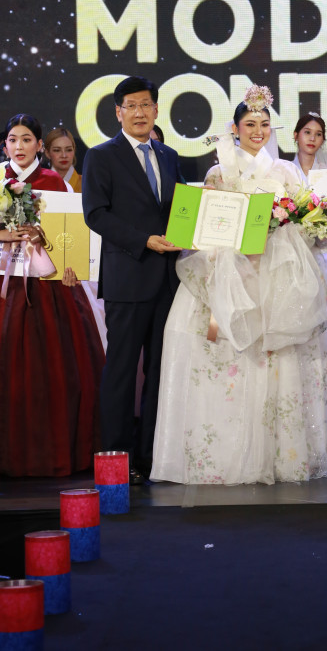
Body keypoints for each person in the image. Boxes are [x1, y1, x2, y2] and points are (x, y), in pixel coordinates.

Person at [151, 85, 327, 485]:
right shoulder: (218, 172)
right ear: (235, 128)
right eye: (250, 124)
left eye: (264, 124)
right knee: (227, 355)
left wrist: (314, 227)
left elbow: (305, 219)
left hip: (279, 273)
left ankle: (283, 454)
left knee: (283, 357)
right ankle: (231, 451)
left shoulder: (285, 170)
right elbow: (209, 224)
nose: (258, 131)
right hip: (232, 270)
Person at [82, 75, 184, 484]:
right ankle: (116, 461)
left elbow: (180, 209)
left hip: (168, 281)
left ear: (156, 110)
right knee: (121, 372)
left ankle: (150, 457)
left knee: (160, 373)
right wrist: (144, 240)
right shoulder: (101, 156)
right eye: (131, 106)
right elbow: (96, 214)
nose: (140, 113)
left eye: (146, 105)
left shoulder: (169, 155)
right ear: (118, 112)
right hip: (127, 278)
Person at [0, 114, 105, 476]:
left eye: (27, 139)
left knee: (59, 365)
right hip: (7, 279)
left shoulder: (53, 183)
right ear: (5, 145)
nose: (20, 146)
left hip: (48, 283)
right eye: (13, 140)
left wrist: (72, 266)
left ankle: (57, 450)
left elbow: (70, 233)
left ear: (39, 146)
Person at [292, 112, 327, 183]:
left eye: (318, 134)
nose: (312, 139)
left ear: (323, 140)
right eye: (307, 132)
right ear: (296, 135)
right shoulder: (283, 170)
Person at [44, 127, 82, 191]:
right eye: (57, 150)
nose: (64, 156)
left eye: (69, 150)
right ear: (47, 153)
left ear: (74, 151)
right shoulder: (38, 183)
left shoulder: (87, 183)